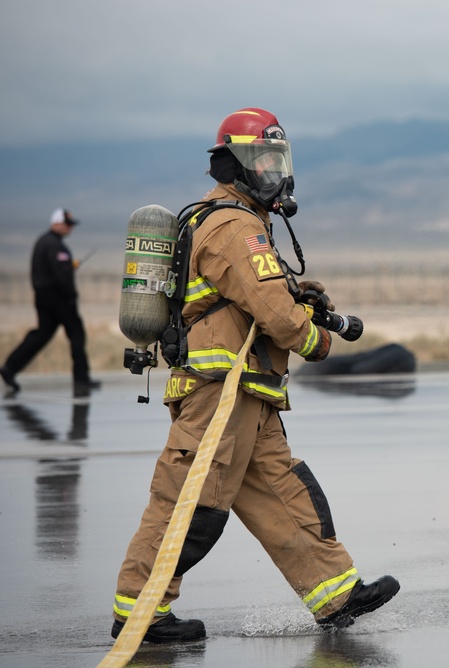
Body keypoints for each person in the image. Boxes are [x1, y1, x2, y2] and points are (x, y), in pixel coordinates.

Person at [109, 107, 398, 644]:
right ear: (233, 166)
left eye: (278, 161)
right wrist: (318, 338)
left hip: (248, 391)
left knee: (283, 493)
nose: (275, 174)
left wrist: (299, 296)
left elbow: (255, 298)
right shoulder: (234, 226)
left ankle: (335, 593)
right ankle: (141, 611)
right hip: (220, 392)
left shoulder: (235, 224)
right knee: (189, 503)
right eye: (263, 161)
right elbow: (271, 308)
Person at [0, 208, 100, 394]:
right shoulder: (55, 245)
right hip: (59, 299)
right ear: (56, 223)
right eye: (67, 224)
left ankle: (9, 368)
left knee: (41, 335)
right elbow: (61, 276)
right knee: (76, 334)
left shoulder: (44, 242)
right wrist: (71, 296)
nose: (70, 228)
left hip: (43, 297)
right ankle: (81, 379)